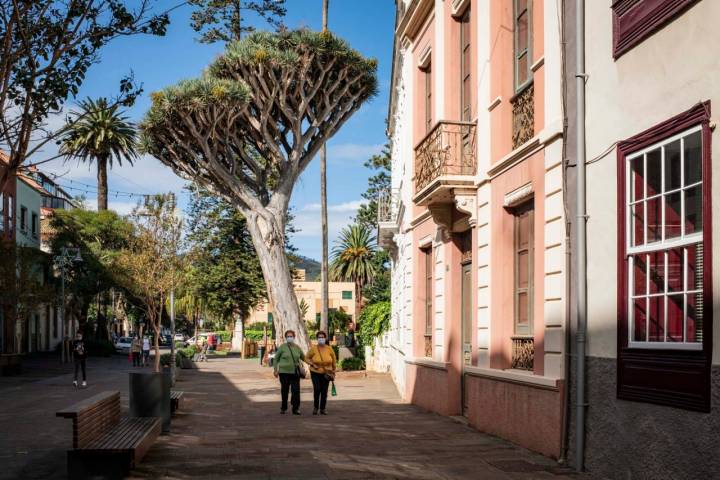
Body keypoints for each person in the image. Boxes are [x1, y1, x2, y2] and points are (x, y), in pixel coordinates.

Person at [273, 330, 305, 415]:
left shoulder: (297, 347)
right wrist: (275, 370)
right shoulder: (282, 347)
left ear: (294, 337)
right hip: (284, 373)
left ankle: (296, 408)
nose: (289, 338)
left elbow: (303, 357)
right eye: (288, 336)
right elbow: (276, 359)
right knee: (285, 390)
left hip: (295, 372)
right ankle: (284, 407)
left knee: (296, 391)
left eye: (291, 336)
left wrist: (312, 363)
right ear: (286, 337)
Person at [305, 331, 337, 415]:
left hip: (326, 373)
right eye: (319, 337)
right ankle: (316, 407)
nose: (321, 339)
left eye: (322, 337)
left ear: (325, 338)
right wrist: (312, 364)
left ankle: (323, 408)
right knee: (317, 389)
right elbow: (306, 358)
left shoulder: (329, 348)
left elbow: (334, 360)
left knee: (324, 391)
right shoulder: (313, 348)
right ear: (317, 339)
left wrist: (334, 371)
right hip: (315, 372)